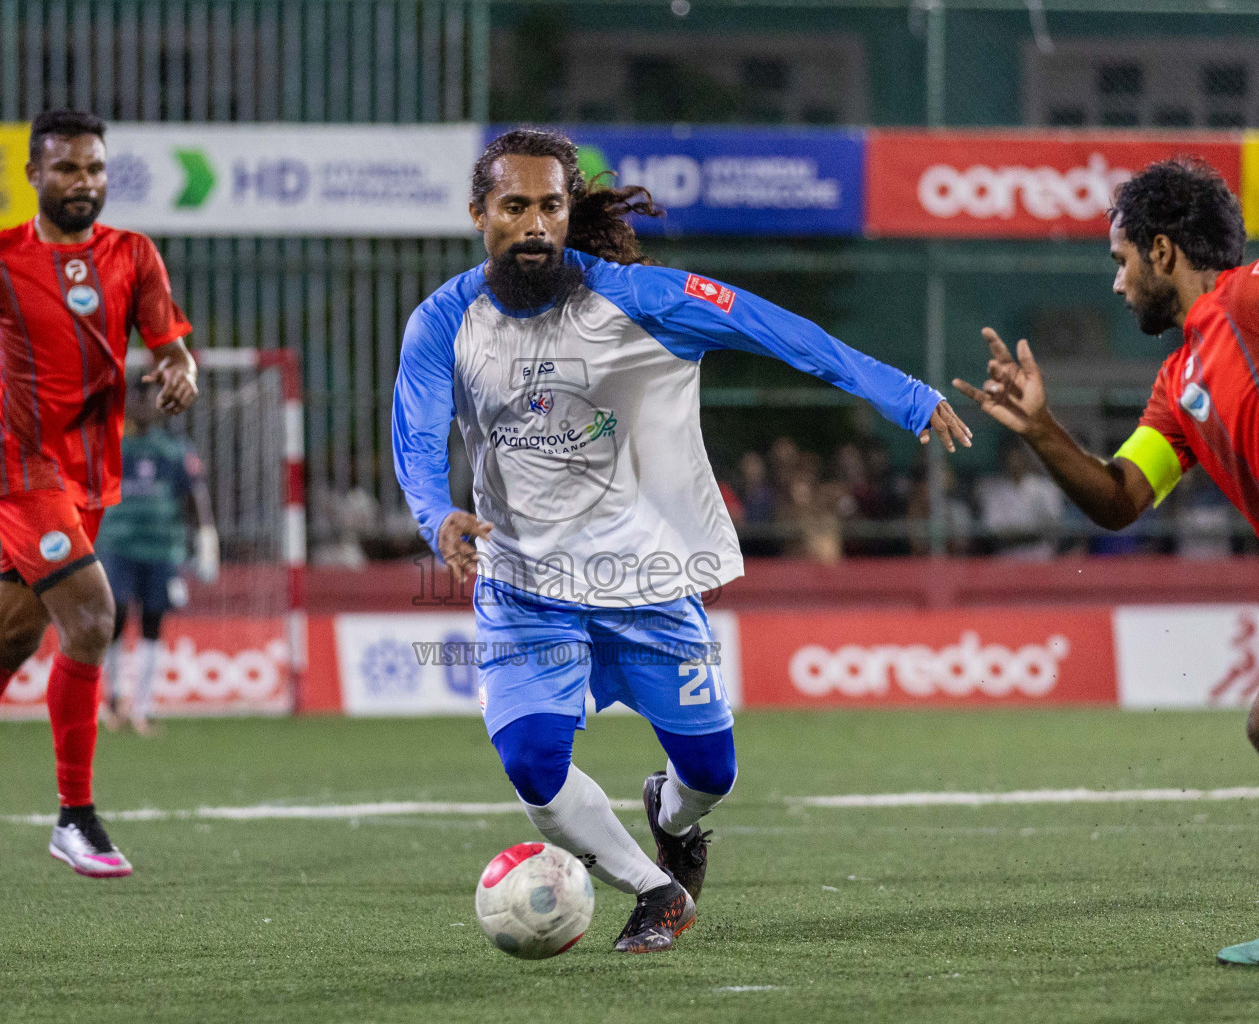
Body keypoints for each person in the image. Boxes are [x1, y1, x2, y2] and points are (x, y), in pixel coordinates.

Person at [392, 128, 972, 954]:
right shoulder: (443, 322)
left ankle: (674, 819)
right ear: (478, 212)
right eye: (513, 205)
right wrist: (434, 514)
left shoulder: (643, 299)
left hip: (648, 587)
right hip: (525, 589)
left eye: (549, 205)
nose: (532, 224)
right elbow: (415, 436)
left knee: (711, 775)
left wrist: (901, 393)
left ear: (567, 212)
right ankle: (657, 891)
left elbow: (776, 329)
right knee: (530, 762)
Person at [954, 157, 1259, 966]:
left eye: (1121, 260)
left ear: (1163, 252)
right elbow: (1122, 497)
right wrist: (1042, 430)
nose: (1117, 283)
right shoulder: (1180, 380)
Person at [0, 110, 197, 878]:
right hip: (17, 466)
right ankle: (75, 818)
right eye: (65, 169)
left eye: (93, 168)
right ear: (33, 174)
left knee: (15, 638)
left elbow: (169, 345)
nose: (82, 183)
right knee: (92, 617)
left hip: (89, 472)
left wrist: (180, 368)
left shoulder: (134, 254)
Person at [97, 377, 218, 736]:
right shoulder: (112, 444)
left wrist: (207, 537)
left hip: (161, 546)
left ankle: (143, 708)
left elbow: (194, 495)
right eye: (137, 396)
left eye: (150, 397)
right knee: (115, 614)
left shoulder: (174, 449)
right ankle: (114, 699)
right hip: (117, 545)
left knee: (153, 621)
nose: (143, 404)